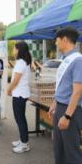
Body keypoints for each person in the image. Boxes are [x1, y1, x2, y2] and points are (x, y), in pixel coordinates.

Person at [48, 27, 82, 164]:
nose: (55, 43)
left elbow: (78, 91)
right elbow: (64, 85)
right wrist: (55, 103)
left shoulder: (77, 60)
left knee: (71, 151)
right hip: (61, 108)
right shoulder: (67, 59)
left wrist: (67, 116)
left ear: (64, 40)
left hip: (71, 111)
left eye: (57, 40)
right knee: (59, 148)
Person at [7, 41, 32, 153]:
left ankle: (24, 144)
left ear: (18, 49)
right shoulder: (22, 61)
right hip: (21, 94)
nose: (13, 50)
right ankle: (23, 140)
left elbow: (16, 80)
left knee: (20, 119)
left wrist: (9, 89)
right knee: (21, 118)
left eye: (14, 48)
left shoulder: (21, 62)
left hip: (19, 94)